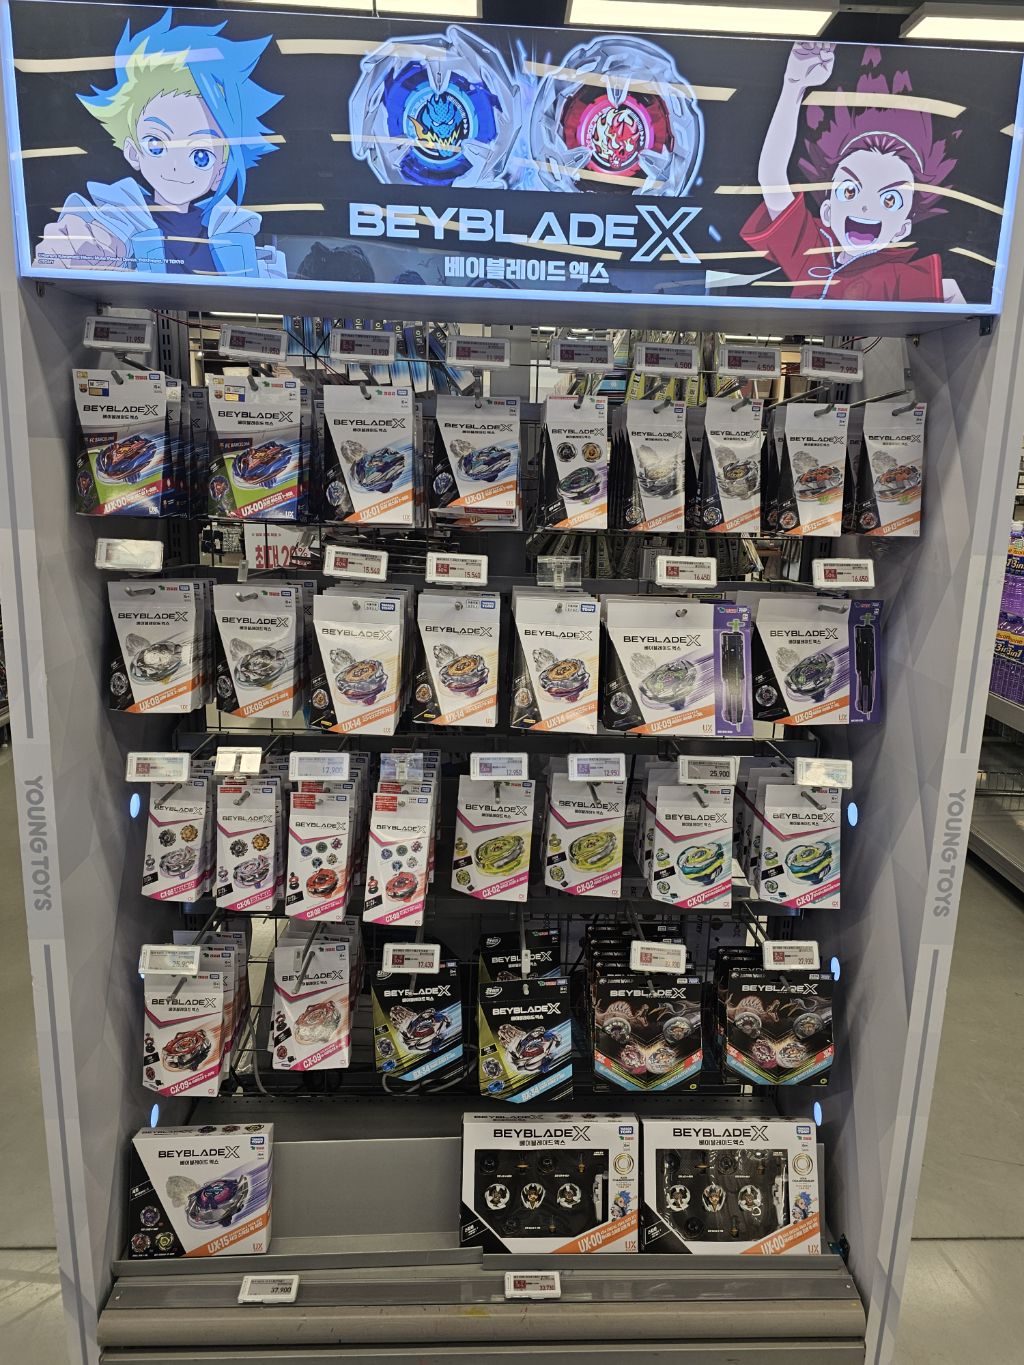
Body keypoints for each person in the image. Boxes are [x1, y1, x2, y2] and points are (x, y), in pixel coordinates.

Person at [35, 8, 284, 278]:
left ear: (219, 173)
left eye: (200, 155)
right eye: (156, 145)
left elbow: (269, 288)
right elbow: (65, 249)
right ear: (133, 152)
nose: (176, 166)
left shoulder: (234, 233)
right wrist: (69, 255)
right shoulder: (115, 221)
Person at [741, 41, 962, 303]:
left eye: (889, 200)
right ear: (827, 211)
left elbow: (952, 294)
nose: (866, 207)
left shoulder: (897, 277)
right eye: (849, 191)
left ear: (902, 229)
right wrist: (793, 86)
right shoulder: (811, 250)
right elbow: (772, 176)